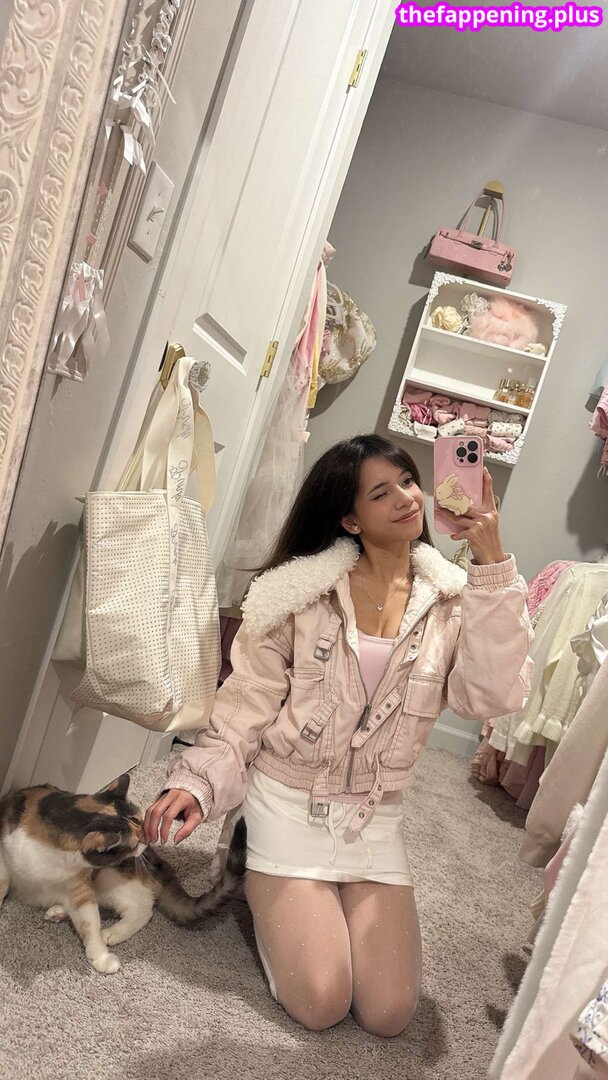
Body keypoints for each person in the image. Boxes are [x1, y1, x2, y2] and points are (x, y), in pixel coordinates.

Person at [144, 434, 532, 1037]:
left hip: (373, 817)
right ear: (350, 519)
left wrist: (491, 568)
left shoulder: (454, 603)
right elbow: (246, 707)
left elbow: (490, 698)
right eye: (382, 493)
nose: (407, 498)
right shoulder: (296, 597)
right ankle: (258, 870)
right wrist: (197, 783)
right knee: (322, 1001)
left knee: (389, 1014)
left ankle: (318, 899)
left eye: (409, 481)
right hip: (285, 804)